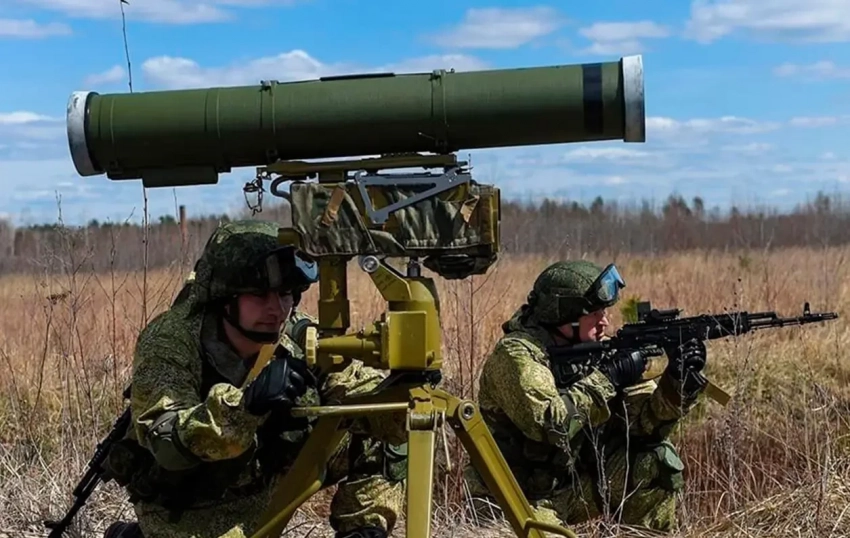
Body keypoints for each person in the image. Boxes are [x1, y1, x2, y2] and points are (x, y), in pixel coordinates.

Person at [102, 220, 408, 538]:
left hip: (264, 482)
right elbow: (166, 444)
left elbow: (360, 392)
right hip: (191, 503)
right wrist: (245, 407)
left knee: (368, 423)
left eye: (287, 293)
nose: (277, 308)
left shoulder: (299, 333)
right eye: (260, 294)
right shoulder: (171, 340)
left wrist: (404, 390)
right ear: (225, 297)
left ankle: (362, 531)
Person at [463, 260, 708, 532]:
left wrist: (678, 382)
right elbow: (550, 425)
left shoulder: (593, 349)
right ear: (566, 316)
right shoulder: (516, 357)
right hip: (516, 499)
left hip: (573, 486)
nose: (605, 321)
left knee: (656, 462)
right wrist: (606, 379)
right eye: (595, 313)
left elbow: (644, 426)